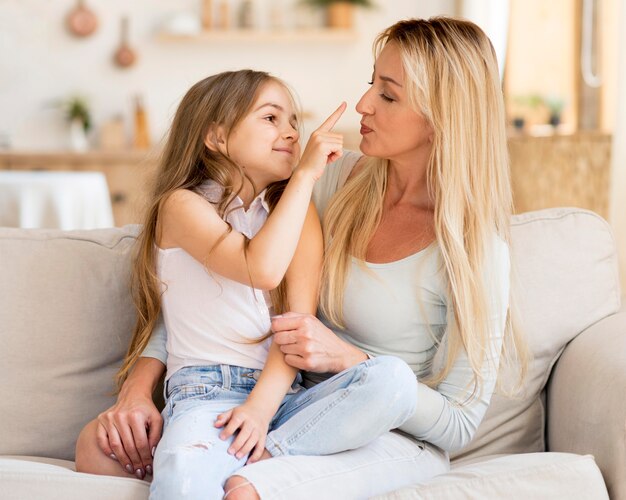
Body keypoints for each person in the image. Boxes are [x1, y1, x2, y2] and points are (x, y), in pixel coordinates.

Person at [77, 16, 528, 499]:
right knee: (98, 448)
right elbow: (210, 292)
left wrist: (347, 359)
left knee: (365, 397)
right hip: (290, 401)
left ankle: (257, 461)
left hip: (385, 433)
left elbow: (458, 424)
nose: (362, 105)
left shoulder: (476, 250)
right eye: (370, 83)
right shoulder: (325, 181)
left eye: (388, 95)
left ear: (443, 116)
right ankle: (242, 454)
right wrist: (136, 391)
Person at [75, 69, 420, 499]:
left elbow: (297, 325)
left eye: (294, 121)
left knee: (394, 380)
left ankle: (266, 461)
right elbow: (260, 268)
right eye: (271, 118)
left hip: (282, 402)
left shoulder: (299, 213)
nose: (292, 133)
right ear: (217, 137)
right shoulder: (183, 206)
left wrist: (260, 411)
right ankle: (237, 462)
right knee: (182, 473)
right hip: (208, 398)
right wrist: (305, 178)